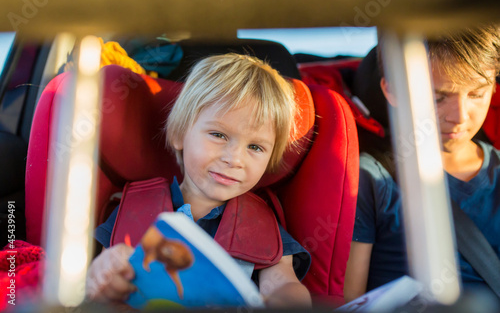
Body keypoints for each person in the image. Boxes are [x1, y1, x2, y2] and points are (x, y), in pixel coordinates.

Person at [86, 53, 312, 307]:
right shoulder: (133, 208)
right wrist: (103, 274)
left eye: (256, 147)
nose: (234, 159)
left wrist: (281, 302)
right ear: (181, 134)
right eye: (218, 134)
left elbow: (284, 284)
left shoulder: (262, 224)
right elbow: (106, 272)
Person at [344, 25, 500, 302]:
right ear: (393, 92)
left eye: (477, 94)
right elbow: (349, 302)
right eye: (438, 97)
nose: (460, 116)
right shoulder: (371, 179)